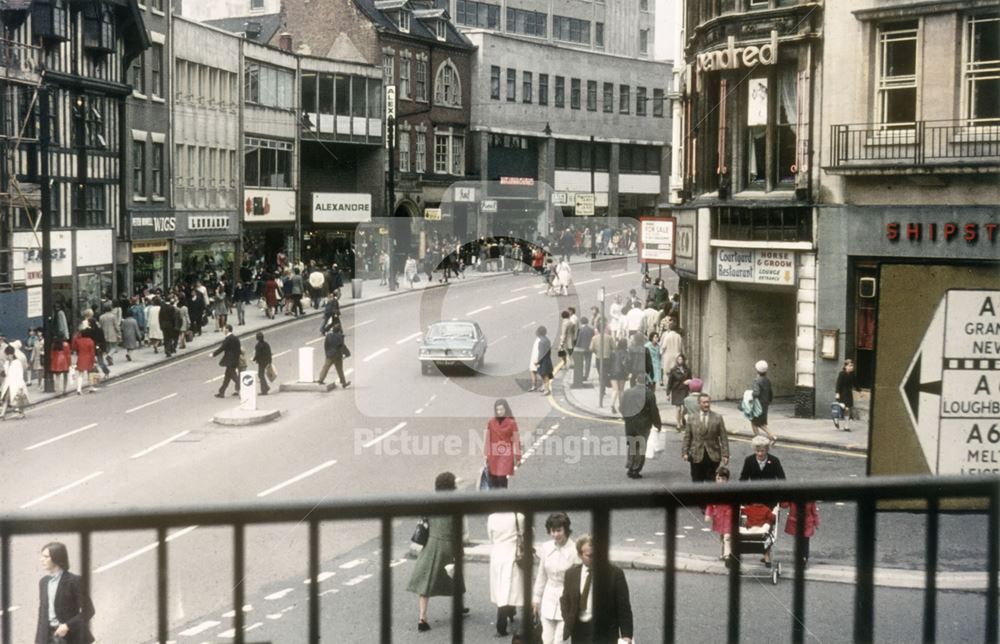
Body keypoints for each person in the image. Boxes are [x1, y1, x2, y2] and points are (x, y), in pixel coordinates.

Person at [407, 471, 466, 632]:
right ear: (452, 486)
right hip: (450, 544)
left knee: (425, 581)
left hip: (432, 543)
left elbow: (423, 519)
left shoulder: (430, 501)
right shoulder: (455, 503)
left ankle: (422, 618)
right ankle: (459, 606)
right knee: (455, 574)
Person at [560, 535, 633, 644]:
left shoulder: (615, 574)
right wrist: (569, 620)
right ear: (580, 555)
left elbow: (624, 607)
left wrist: (626, 635)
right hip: (580, 633)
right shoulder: (571, 574)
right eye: (590, 556)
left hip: (606, 633)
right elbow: (565, 600)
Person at [35, 541, 95, 644]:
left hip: (72, 637)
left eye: (46, 557)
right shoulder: (43, 582)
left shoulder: (74, 581)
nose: (42, 560)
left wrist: (67, 626)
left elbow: (89, 610)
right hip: (49, 637)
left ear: (56, 558)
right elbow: (42, 614)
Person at [532, 513, 579, 644]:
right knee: (546, 640)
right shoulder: (546, 548)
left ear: (566, 529)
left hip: (567, 601)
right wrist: (536, 598)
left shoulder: (575, 550)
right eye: (552, 531)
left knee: (559, 641)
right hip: (548, 598)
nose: (555, 534)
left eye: (559, 530)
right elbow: (542, 575)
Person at [487, 511, 526, 636]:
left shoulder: (492, 517)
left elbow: (490, 537)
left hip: (497, 554)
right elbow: (525, 534)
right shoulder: (519, 516)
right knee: (514, 587)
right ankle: (511, 620)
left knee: (501, 588)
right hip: (514, 554)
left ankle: (504, 621)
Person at [682, 393, 730, 484]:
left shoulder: (718, 417)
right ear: (699, 403)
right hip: (696, 455)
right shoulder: (691, 418)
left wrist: (725, 454)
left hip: (713, 455)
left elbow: (724, 437)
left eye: (708, 402)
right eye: (704, 402)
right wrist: (685, 452)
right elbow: (687, 436)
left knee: (711, 482)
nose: (706, 404)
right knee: (696, 481)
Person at [620, 380, 662, 479]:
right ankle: (636, 469)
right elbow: (654, 411)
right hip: (644, 425)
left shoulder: (627, 392)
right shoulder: (649, 394)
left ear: (636, 381)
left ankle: (630, 467)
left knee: (632, 445)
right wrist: (658, 424)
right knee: (641, 447)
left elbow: (621, 408)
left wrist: (626, 418)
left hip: (630, 424)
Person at [484, 399, 521, 488]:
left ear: (506, 410)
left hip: (506, 455)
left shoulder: (512, 423)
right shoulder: (491, 422)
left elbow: (516, 440)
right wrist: (486, 454)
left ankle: (503, 496)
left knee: (501, 477)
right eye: (497, 410)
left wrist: (518, 457)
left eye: (501, 409)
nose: (499, 412)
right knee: (494, 479)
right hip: (494, 454)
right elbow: (488, 438)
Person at [704, 467, 735, 567]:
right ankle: (723, 553)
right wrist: (708, 514)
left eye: (723, 479)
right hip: (719, 516)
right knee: (722, 536)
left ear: (727, 480)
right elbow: (710, 504)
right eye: (718, 479)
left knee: (727, 536)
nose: (721, 481)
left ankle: (727, 556)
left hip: (729, 515)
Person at [782, 500, 821, 568]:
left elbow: (814, 511)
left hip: (806, 522)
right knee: (801, 541)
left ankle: (804, 558)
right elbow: (784, 505)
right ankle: (801, 558)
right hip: (797, 522)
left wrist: (816, 523)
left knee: (805, 541)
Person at [317, 322, 351, 388]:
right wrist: (347, 353)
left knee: (325, 367)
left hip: (329, 355)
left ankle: (321, 380)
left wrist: (327, 353)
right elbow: (342, 347)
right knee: (339, 369)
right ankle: (343, 383)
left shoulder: (328, 336)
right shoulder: (340, 337)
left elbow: (325, 345)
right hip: (337, 356)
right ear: (339, 330)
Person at [750, 360, 776, 444]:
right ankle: (771, 436)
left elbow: (756, 393)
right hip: (765, 404)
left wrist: (750, 394)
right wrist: (769, 401)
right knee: (761, 422)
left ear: (757, 370)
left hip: (757, 404)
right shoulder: (767, 380)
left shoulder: (756, 380)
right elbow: (770, 392)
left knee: (754, 422)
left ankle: (760, 439)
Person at [211, 325, 242, 398]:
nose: (223, 330)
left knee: (234, 377)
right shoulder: (236, 338)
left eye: (224, 329)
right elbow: (239, 350)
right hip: (234, 360)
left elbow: (222, 348)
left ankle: (243, 388)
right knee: (227, 377)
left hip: (229, 361)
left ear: (227, 330)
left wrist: (213, 354)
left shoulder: (228, 339)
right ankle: (221, 392)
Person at [0, 345, 28, 419]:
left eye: (7, 354)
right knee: (6, 398)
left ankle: (21, 412)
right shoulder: (6, 363)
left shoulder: (17, 362)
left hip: (16, 383)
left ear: (11, 354)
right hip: (8, 383)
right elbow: (6, 373)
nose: (6, 356)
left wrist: (20, 385)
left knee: (18, 398)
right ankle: (3, 413)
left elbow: (20, 374)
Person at [666, 353, 692, 429]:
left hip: (685, 390)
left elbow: (691, 379)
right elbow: (669, 382)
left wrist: (689, 382)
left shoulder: (688, 369)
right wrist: (668, 394)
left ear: (683, 360)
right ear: (676, 360)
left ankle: (683, 417)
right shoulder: (673, 370)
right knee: (678, 408)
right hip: (676, 390)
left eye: (681, 359)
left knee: (685, 408)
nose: (680, 360)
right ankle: (678, 423)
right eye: (678, 359)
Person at [71, 327, 98, 395]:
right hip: (89, 358)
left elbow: (75, 348)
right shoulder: (90, 341)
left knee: (80, 374)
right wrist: (94, 360)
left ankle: (79, 389)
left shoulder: (78, 341)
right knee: (90, 373)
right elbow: (92, 352)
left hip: (81, 358)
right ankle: (91, 387)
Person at [834, 359, 858, 432]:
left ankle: (846, 426)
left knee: (847, 410)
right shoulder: (842, 374)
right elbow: (838, 384)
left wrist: (859, 390)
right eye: (850, 366)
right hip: (842, 394)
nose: (852, 367)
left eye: (852, 366)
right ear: (845, 366)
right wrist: (837, 393)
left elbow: (855, 383)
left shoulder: (852, 374)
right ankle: (836, 419)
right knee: (842, 408)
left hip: (849, 394)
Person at [607, 338, 628, 415]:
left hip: (613, 373)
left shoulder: (613, 352)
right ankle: (621, 406)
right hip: (622, 373)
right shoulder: (626, 353)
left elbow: (609, 363)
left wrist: (609, 372)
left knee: (615, 390)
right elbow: (627, 364)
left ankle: (612, 405)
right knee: (621, 390)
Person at [533, 326, 554, 396]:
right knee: (546, 375)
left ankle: (546, 390)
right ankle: (545, 388)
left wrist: (537, 362)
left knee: (544, 376)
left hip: (543, 362)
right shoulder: (547, 340)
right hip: (548, 360)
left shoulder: (541, 342)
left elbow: (541, 354)